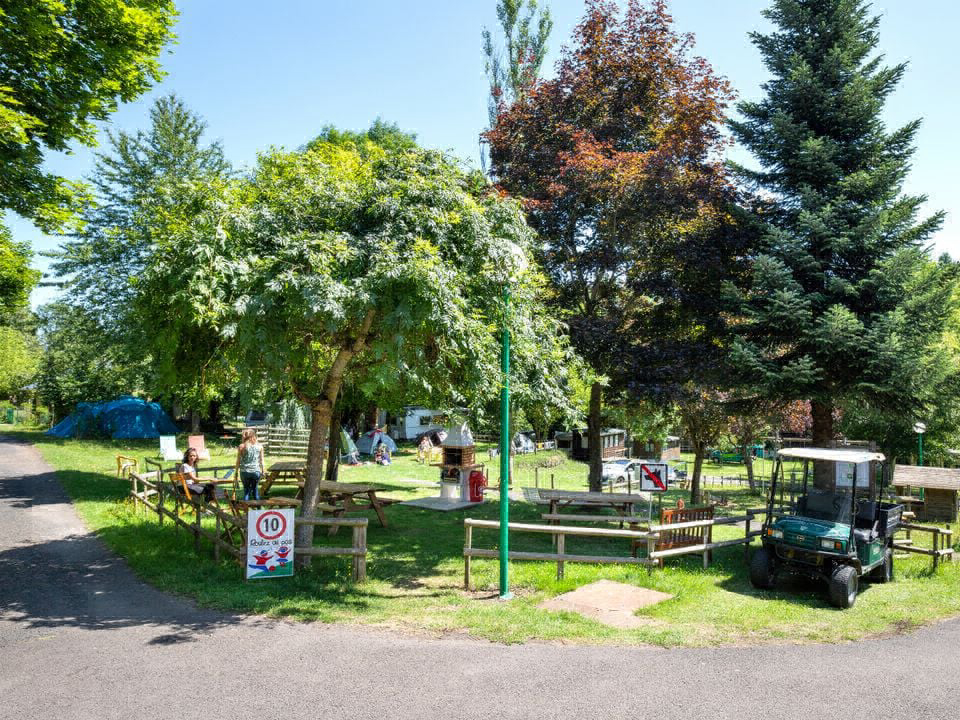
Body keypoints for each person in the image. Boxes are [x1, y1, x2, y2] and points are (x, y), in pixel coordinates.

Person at [235, 428, 265, 501]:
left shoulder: (241, 446)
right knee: (255, 490)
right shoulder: (260, 446)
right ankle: (258, 507)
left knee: (246, 491)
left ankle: (246, 508)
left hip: (244, 472)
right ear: (254, 436)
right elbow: (262, 460)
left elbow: (238, 461)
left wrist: (236, 473)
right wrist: (263, 470)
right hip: (256, 471)